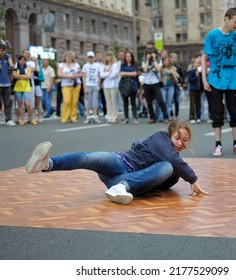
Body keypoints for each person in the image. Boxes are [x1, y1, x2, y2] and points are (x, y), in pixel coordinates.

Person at [25, 118, 209, 204]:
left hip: (120, 184)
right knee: (88, 158)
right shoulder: (160, 137)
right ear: (170, 133)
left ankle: (121, 187)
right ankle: (47, 164)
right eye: (177, 137)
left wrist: (176, 172)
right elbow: (171, 159)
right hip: (121, 162)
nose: (180, 143)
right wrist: (192, 179)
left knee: (168, 168)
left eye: (185, 141)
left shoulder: (176, 165)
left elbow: (160, 185)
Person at [201, 7, 236, 156]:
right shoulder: (212, 35)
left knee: (234, 113)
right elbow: (204, 57)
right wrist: (204, 79)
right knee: (217, 113)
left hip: (232, 82)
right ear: (226, 19)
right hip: (215, 80)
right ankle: (218, 145)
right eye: (235, 22)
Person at [142, 47, 169, 124]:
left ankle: (165, 117)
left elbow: (158, 69)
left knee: (160, 100)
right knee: (149, 101)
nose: (150, 55)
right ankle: (152, 117)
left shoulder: (158, 60)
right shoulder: (144, 60)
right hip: (147, 82)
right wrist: (147, 60)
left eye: (152, 53)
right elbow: (145, 70)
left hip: (155, 82)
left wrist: (154, 60)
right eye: (149, 53)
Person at [57, 51, 82, 123]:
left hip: (76, 85)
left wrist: (76, 76)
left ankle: (73, 117)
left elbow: (80, 74)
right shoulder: (61, 65)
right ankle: (64, 117)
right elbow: (59, 74)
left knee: (74, 102)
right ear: (65, 57)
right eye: (68, 56)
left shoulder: (76, 65)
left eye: (71, 56)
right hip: (66, 85)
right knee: (67, 101)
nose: (69, 58)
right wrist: (69, 76)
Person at [12, 55, 37, 126]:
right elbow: (14, 76)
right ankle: (22, 120)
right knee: (20, 104)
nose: (22, 61)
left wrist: (19, 76)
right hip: (18, 87)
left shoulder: (28, 68)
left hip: (26, 87)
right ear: (18, 61)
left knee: (28, 104)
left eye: (23, 60)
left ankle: (31, 119)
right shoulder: (15, 68)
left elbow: (29, 76)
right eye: (21, 60)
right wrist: (24, 77)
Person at [119, 51, 139, 124]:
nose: (128, 58)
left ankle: (135, 117)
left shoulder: (135, 65)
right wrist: (129, 73)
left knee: (133, 102)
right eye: (127, 56)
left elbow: (135, 74)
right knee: (125, 102)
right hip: (124, 86)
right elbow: (121, 74)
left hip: (133, 85)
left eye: (130, 56)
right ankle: (126, 117)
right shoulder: (123, 65)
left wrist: (125, 73)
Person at [99, 51, 120, 123]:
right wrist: (108, 73)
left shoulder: (115, 65)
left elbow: (114, 74)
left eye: (110, 56)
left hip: (113, 85)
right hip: (106, 85)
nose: (108, 57)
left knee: (113, 101)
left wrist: (107, 74)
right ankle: (109, 116)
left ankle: (114, 116)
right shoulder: (103, 66)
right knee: (108, 101)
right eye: (107, 56)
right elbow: (101, 75)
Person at [82, 51, 101, 123]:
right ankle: (88, 116)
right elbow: (84, 77)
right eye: (89, 57)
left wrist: (99, 84)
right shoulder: (85, 66)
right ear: (87, 58)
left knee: (95, 101)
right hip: (88, 84)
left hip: (95, 85)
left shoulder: (97, 66)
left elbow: (99, 76)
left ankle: (95, 116)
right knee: (87, 101)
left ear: (94, 58)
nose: (91, 59)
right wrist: (84, 87)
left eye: (92, 57)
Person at [187, 55, 202, 123]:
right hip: (192, 89)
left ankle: (198, 117)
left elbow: (201, 81)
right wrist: (196, 76)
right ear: (193, 64)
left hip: (199, 89)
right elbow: (190, 80)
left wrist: (202, 90)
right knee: (192, 104)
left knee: (198, 104)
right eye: (196, 63)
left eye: (198, 63)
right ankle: (191, 117)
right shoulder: (191, 71)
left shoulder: (200, 72)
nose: (197, 64)